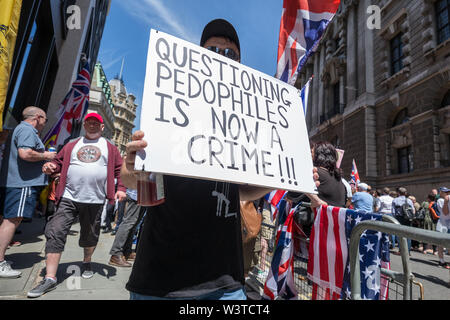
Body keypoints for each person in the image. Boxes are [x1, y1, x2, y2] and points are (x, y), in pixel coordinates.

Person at [120, 19, 322, 301]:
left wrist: (286, 177)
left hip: (225, 283)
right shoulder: (165, 113)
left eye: (230, 54)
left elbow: (241, 191)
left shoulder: (241, 127)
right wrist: (132, 165)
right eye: (213, 51)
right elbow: (131, 181)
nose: (221, 58)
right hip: (160, 281)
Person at [27, 113, 126, 298]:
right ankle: (50, 278)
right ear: (85, 125)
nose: (92, 125)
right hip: (68, 197)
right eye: (89, 122)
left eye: (96, 123)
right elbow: (57, 163)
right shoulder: (72, 144)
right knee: (56, 231)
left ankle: (87, 261)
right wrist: (50, 166)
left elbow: (120, 170)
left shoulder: (110, 148)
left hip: (95, 200)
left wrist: (120, 188)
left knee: (90, 236)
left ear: (102, 127)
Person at [0, 107, 56, 278]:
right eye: (45, 120)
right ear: (38, 117)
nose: (44, 124)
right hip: (22, 183)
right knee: (12, 220)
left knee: (9, 220)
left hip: (16, 182)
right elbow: (25, 153)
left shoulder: (21, 130)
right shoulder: (26, 130)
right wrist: (47, 155)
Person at [108, 189, 146, 267]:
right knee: (128, 223)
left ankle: (126, 252)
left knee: (134, 224)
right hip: (137, 193)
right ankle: (116, 253)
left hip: (144, 194)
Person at [312, 142, 347, 208]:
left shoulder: (315, 173)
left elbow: (291, 197)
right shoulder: (339, 179)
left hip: (319, 217)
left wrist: (316, 200)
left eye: (312, 153)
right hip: (335, 217)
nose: (310, 155)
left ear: (318, 155)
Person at [391, 187, 415, 255]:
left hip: (399, 218)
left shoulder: (395, 200)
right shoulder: (409, 200)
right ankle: (408, 251)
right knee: (408, 234)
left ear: (398, 193)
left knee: (399, 234)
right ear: (405, 193)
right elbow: (413, 210)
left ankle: (401, 250)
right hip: (407, 219)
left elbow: (393, 212)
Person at [435, 187, 450, 269]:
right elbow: (445, 212)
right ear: (441, 193)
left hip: (448, 224)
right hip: (443, 224)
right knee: (441, 244)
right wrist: (446, 202)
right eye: (445, 192)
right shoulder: (440, 200)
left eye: (448, 191)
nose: (448, 193)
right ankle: (441, 261)